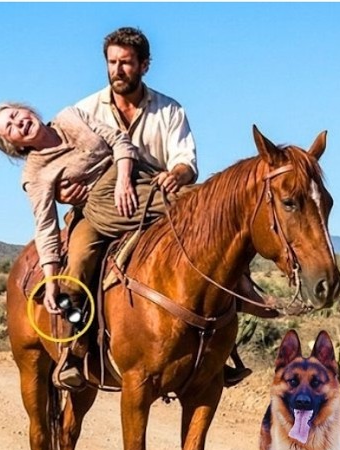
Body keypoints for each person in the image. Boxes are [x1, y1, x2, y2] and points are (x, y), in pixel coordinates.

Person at [65, 26, 270, 387]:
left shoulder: (169, 109)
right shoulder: (84, 111)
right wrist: (70, 190)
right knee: (79, 258)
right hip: (102, 204)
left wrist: (176, 173)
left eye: (126, 63)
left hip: (158, 200)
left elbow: (186, 162)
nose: (117, 70)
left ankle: (220, 346)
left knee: (218, 237)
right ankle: (74, 348)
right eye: (112, 62)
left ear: (144, 65)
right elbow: (63, 165)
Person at [0, 101, 167, 388]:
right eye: (9, 127)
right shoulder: (35, 174)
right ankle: (74, 349)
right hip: (92, 212)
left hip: (133, 181)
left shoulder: (71, 116)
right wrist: (50, 279)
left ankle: (221, 335)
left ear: (28, 110)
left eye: (15, 115)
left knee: (195, 223)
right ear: (14, 145)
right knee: (80, 260)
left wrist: (122, 180)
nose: (18, 123)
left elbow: (119, 140)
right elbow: (45, 225)